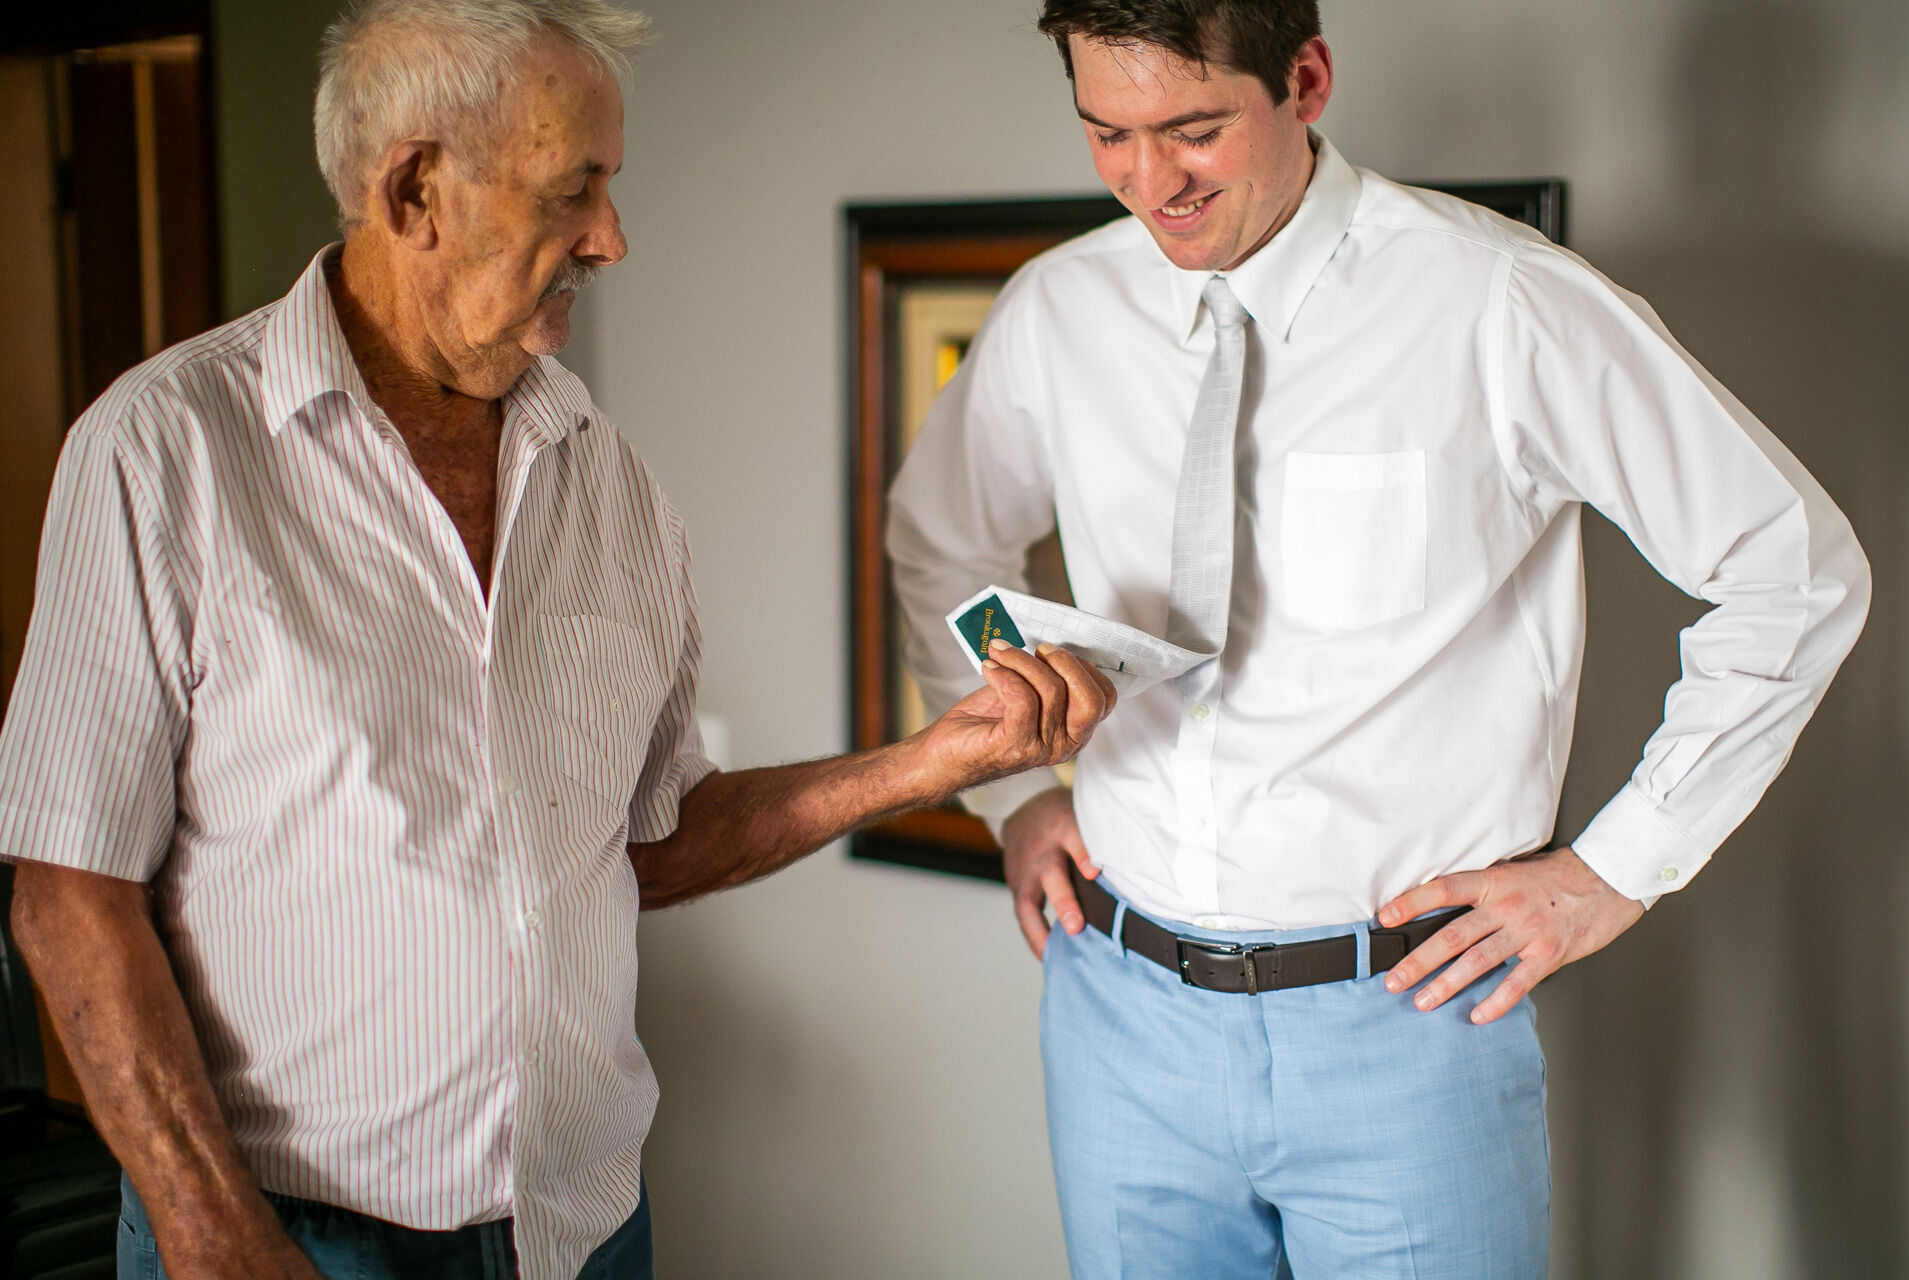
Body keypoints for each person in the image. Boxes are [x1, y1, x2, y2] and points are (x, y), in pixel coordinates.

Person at [0, 3, 1117, 1279]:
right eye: (573, 190)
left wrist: (927, 765)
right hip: (283, 1235)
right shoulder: (160, 453)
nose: (613, 237)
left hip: (583, 1229)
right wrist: (213, 1235)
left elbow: (645, 838)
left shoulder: (612, 484)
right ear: (415, 189)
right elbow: (69, 898)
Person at [885, 1, 1870, 1276]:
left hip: (1405, 1027)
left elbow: (1794, 571)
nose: (1149, 181)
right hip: (1114, 1014)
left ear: (1306, 79)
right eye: (1106, 134)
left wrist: (1615, 868)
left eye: (1191, 131)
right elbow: (938, 541)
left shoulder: (1501, 301)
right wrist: (1014, 789)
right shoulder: (1059, 308)